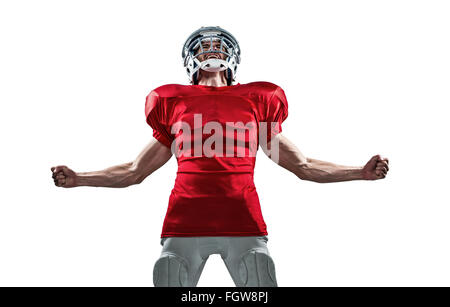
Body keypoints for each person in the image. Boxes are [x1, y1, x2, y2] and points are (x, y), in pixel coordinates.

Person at [51, 26, 389, 287]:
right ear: (190, 58)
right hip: (183, 226)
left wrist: (359, 171)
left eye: (218, 45)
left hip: (243, 226)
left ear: (232, 56)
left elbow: (303, 166)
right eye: (204, 45)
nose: (212, 50)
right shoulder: (173, 103)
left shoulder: (257, 102)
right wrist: (80, 178)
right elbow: (134, 171)